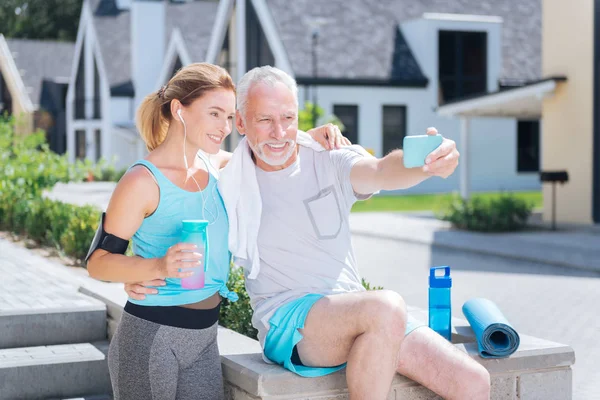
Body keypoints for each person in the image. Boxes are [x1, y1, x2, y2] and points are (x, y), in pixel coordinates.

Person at [127, 66, 490, 400]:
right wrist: (140, 271)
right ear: (239, 122)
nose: (279, 133)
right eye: (265, 120)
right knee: (385, 307)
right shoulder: (227, 177)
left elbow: (380, 171)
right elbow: (165, 206)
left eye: (287, 118)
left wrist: (424, 164)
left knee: (474, 382)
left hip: (359, 312)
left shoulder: (329, 156)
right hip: (288, 323)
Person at [86, 63, 346, 400]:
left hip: (205, 337)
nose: (225, 127)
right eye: (214, 114)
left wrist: (308, 136)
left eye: (228, 116)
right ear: (179, 110)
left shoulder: (217, 164)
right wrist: (156, 267)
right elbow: (98, 262)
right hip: (151, 336)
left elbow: (265, 145)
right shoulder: (142, 181)